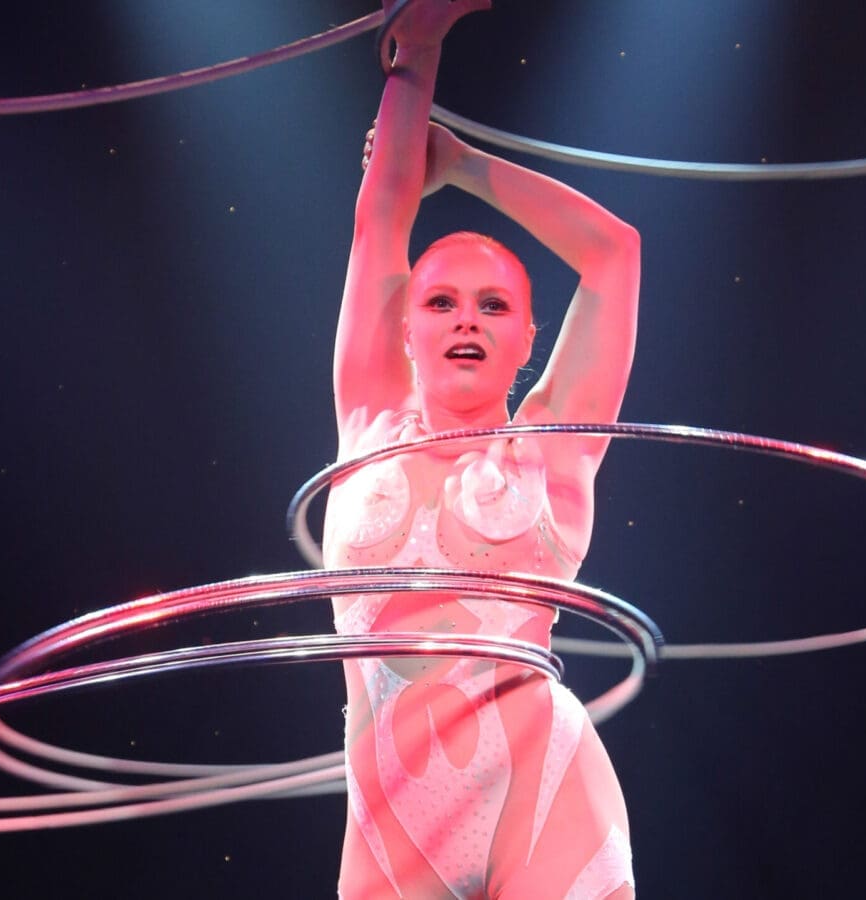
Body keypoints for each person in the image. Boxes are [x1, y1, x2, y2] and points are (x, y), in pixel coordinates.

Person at [325, 2, 640, 897]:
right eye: (441, 302)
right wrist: (416, 55)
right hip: (389, 825)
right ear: (405, 329)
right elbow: (379, 223)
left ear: (528, 337)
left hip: (541, 792)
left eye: (493, 305)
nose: (466, 319)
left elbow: (615, 254)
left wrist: (462, 165)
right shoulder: (368, 421)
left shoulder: (555, 450)